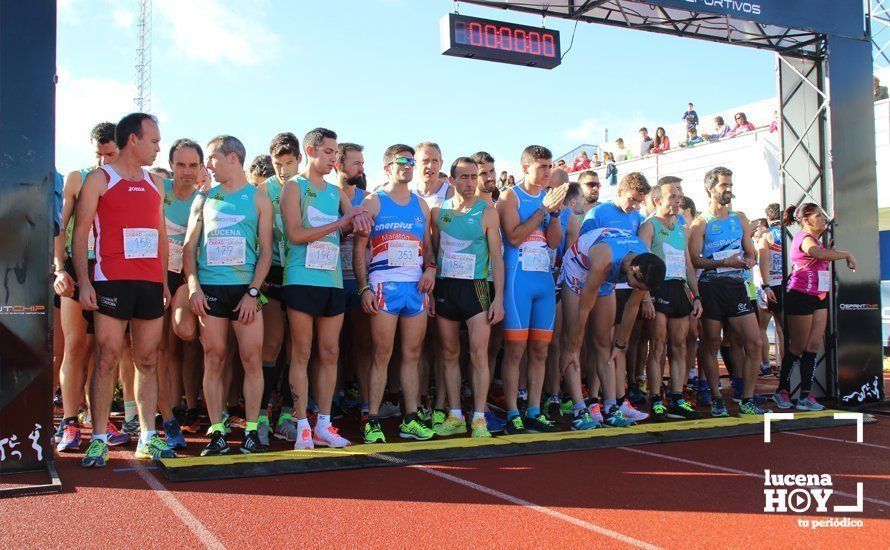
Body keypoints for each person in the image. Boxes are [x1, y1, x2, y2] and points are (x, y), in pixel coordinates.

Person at [74, 113, 175, 467]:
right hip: (110, 280)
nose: (158, 148)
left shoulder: (155, 183)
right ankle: (99, 438)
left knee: (148, 359)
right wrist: (84, 281)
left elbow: (161, 237)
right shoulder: (100, 179)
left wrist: (163, 282)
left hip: (148, 283)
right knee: (106, 357)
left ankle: (148, 436)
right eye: (154, 141)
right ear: (133, 139)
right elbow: (79, 232)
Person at [183, 134, 274, 456]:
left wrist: (252, 292)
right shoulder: (204, 198)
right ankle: (217, 431)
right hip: (210, 290)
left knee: (251, 359)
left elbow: (266, 252)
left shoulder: (259, 198)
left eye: (212, 158)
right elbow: (188, 249)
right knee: (214, 358)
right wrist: (194, 288)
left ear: (233, 158)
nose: (207, 165)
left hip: (244, 292)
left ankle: (251, 430)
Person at [280, 128, 371, 450]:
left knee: (330, 353)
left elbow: (354, 221)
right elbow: (295, 233)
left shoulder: (335, 192)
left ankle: (324, 423)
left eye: (336, 153)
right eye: (329, 152)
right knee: (302, 352)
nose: (334, 158)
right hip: (302, 279)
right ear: (311, 150)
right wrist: (340, 224)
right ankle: (301, 424)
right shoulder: (294, 187)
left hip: (331, 281)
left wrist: (359, 225)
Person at [353, 144, 437, 443]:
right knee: (382, 355)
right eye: (403, 161)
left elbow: (428, 248)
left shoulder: (422, 205)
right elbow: (359, 250)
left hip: (415, 287)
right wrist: (364, 287)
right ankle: (372, 418)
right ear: (388, 166)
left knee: (412, 355)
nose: (409, 166)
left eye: (412, 162)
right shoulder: (373, 201)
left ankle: (411, 418)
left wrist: (430, 269)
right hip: (384, 285)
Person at [559, 227, 667, 428]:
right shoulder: (605, 261)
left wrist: (620, 344)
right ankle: (579, 410)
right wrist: (572, 346)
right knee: (575, 342)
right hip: (579, 270)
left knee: (605, 344)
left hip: (607, 276)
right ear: (632, 271)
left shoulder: (644, 262)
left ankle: (611, 407)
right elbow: (584, 308)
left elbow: (632, 306)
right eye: (638, 286)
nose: (638, 290)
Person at [430, 157, 505, 438]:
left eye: (474, 177)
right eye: (464, 177)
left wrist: (498, 299)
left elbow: (497, 257)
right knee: (449, 354)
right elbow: (433, 251)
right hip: (447, 289)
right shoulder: (438, 212)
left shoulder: (488, 212)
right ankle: (455, 415)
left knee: (478, 355)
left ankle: (479, 418)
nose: (471, 183)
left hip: (476, 290)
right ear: (451, 181)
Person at [495, 145, 568, 434]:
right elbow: (513, 237)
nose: (548, 172)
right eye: (542, 167)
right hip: (517, 279)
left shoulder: (548, 199)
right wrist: (543, 210)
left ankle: (535, 410)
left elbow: (553, 243)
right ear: (525, 168)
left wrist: (555, 215)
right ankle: (513, 411)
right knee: (515, 349)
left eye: (550, 166)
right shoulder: (510, 196)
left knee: (540, 349)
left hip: (543, 280)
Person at [688, 167, 765, 417]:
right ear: (710, 189)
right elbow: (695, 260)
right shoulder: (701, 223)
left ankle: (748, 398)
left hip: (736, 287)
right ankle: (717, 396)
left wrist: (750, 260)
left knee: (753, 342)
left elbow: (751, 251)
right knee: (711, 344)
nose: (729, 189)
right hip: (711, 288)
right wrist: (724, 262)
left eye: (730, 184)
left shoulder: (740, 218)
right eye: (723, 185)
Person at [578, 172, 652, 424]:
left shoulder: (637, 217)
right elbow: (585, 247)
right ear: (619, 192)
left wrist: (645, 297)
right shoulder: (597, 214)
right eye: (631, 200)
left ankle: (619, 400)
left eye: (639, 202)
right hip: (601, 285)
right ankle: (594, 400)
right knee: (599, 342)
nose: (634, 206)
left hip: (627, 285)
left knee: (619, 345)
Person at [774, 204, 856, 410]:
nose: (822, 219)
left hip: (819, 294)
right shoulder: (804, 238)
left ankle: (805, 395)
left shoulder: (817, 239)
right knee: (798, 346)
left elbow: (823, 254)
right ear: (806, 221)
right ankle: (782, 390)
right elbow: (817, 254)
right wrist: (846, 254)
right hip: (800, 295)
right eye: (818, 216)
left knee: (813, 345)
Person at [637, 177, 702, 421]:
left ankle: (676, 396)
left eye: (679, 196)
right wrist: (645, 297)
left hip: (679, 289)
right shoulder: (649, 226)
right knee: (657, 345)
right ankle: (655, 398)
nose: (678, 200)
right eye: (672, 197)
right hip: (658, 289)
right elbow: (640, 264)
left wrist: (696, 297)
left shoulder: (681, 228)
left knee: (680, 346)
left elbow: (687, 264)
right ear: (657, 200)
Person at [158, 139, 205, 449]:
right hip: (159, 276)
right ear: (171, 165)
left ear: (201, 167)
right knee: (161, 349)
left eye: (193, 165)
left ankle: (191, 405)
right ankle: (168, 413)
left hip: (191, 278)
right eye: (180, 165)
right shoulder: (158, 192)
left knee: (187, 336)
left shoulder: (207, 197)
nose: (186, 172)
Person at [258, 132, 301, 444]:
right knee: (271, 343)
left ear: (300, 159)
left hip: (303, 273)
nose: (283, 169)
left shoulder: (310, 187)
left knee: (298, 346)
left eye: (289, 163)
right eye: (277, 163)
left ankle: (288, 411)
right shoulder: (262, 190)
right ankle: (260, 412)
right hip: (271, 271)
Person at [335, 142, 372, 423]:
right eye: (356, 163)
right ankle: (332, 398)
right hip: (331, 280)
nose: (361, 168)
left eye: (362, 163)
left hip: (359, 280)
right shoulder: (325, 196)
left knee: (362, 344)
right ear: (339, 165)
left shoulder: (368, 199)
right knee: (330, 346)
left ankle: (366, 403)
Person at [758, 203, 785, 377]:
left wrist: (766, 285)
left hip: (769, 286)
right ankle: (784, 367)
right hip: (786, 285)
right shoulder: (790, 234)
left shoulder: (766, 235)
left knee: (761, 328)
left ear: (768, 218)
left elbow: (763, 262)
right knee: (783, 329)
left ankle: (766, 365)